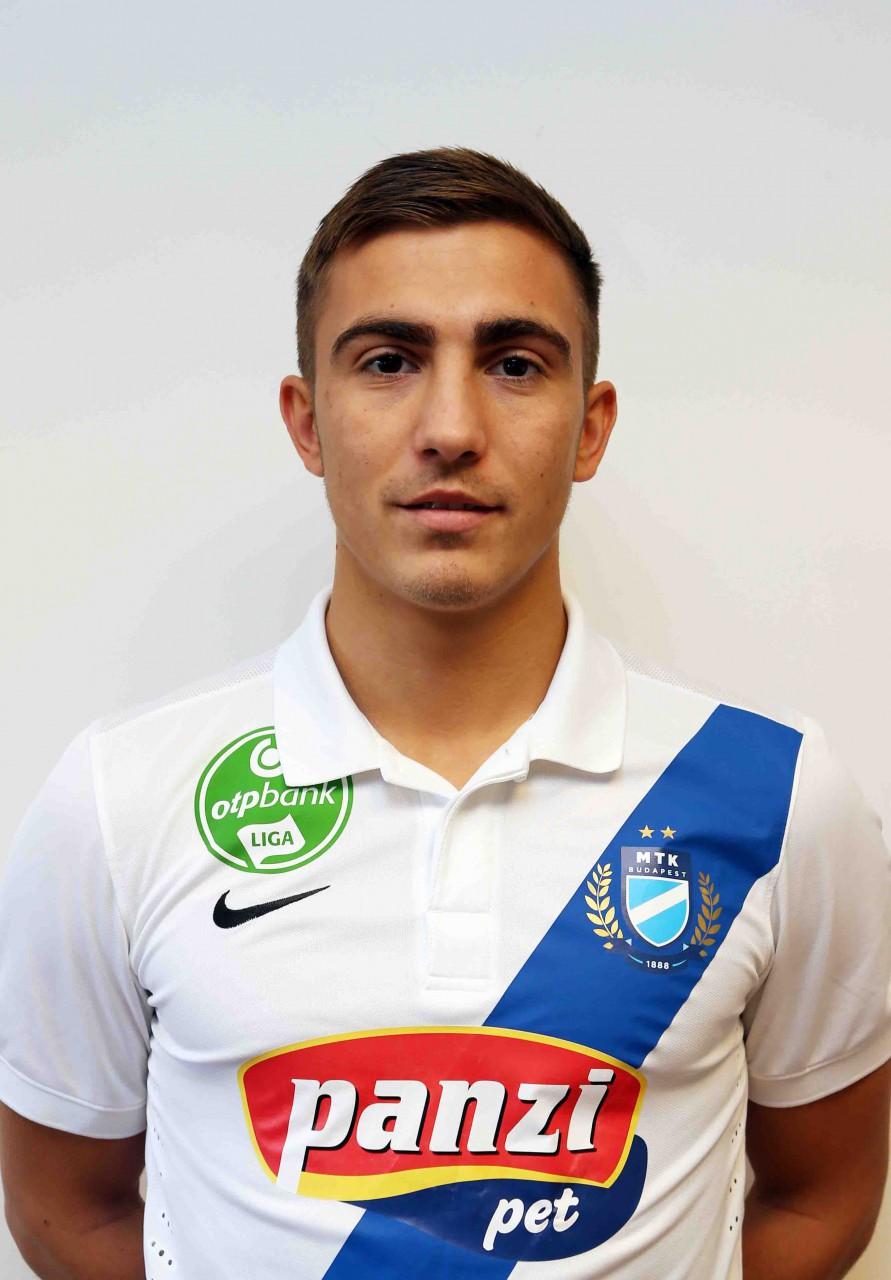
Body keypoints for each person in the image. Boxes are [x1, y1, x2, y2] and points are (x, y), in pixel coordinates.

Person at [1, 146, 889, 1280]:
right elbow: (64, 1208)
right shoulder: (119, 798)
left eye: (515, 364)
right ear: (307, 421)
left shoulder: (778, 797)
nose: (451, 427)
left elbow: (822, 1194)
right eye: (388, 361)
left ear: (590, 426)